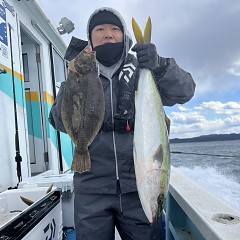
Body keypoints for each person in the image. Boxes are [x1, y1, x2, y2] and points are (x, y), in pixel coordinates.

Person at [49, 7, 196, 240]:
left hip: (139, 189)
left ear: (124, 35)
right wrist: (71, 84)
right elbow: (58, 122)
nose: (108, 34)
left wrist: (161, 66)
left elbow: (185, 92)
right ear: (90, 37)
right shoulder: (79, 73)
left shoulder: (142, 70)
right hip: (91, 189)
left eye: (114, 29)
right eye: (100, 29)